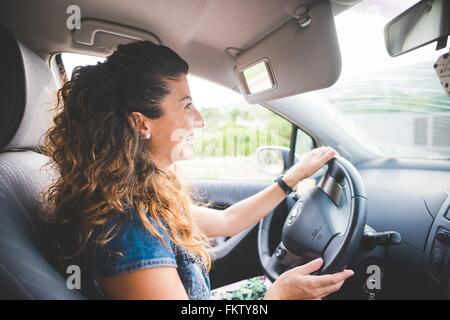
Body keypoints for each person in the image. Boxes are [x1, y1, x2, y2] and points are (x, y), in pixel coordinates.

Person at [43, 40, 354, 300]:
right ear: (141, 123)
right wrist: (277, 297)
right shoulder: (128, 228)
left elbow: (228, 220)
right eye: (186, 105)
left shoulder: (142, 196)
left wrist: (292, 178)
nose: (200, 120)